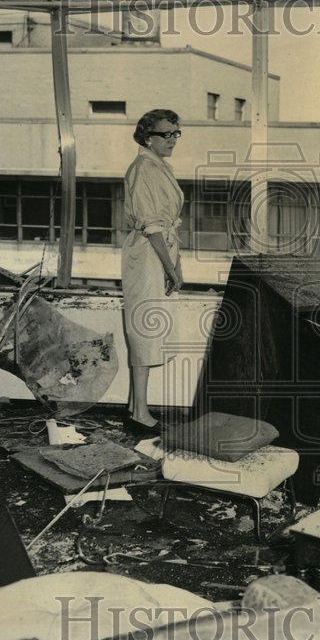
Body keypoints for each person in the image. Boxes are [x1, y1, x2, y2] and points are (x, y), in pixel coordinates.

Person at [121, 109, 184, 435]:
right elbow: (152, 226)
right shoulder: (143, 169)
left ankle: (135, 407)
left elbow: (168, 225)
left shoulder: (157, 167)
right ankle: (140, 414)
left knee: (148, 328)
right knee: (144, 329)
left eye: (176, 133)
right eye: (167, 134)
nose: (173, 139)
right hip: (147, 255)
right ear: (148, 137)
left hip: (158, 252)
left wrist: (177, 265)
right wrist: (170, 267)